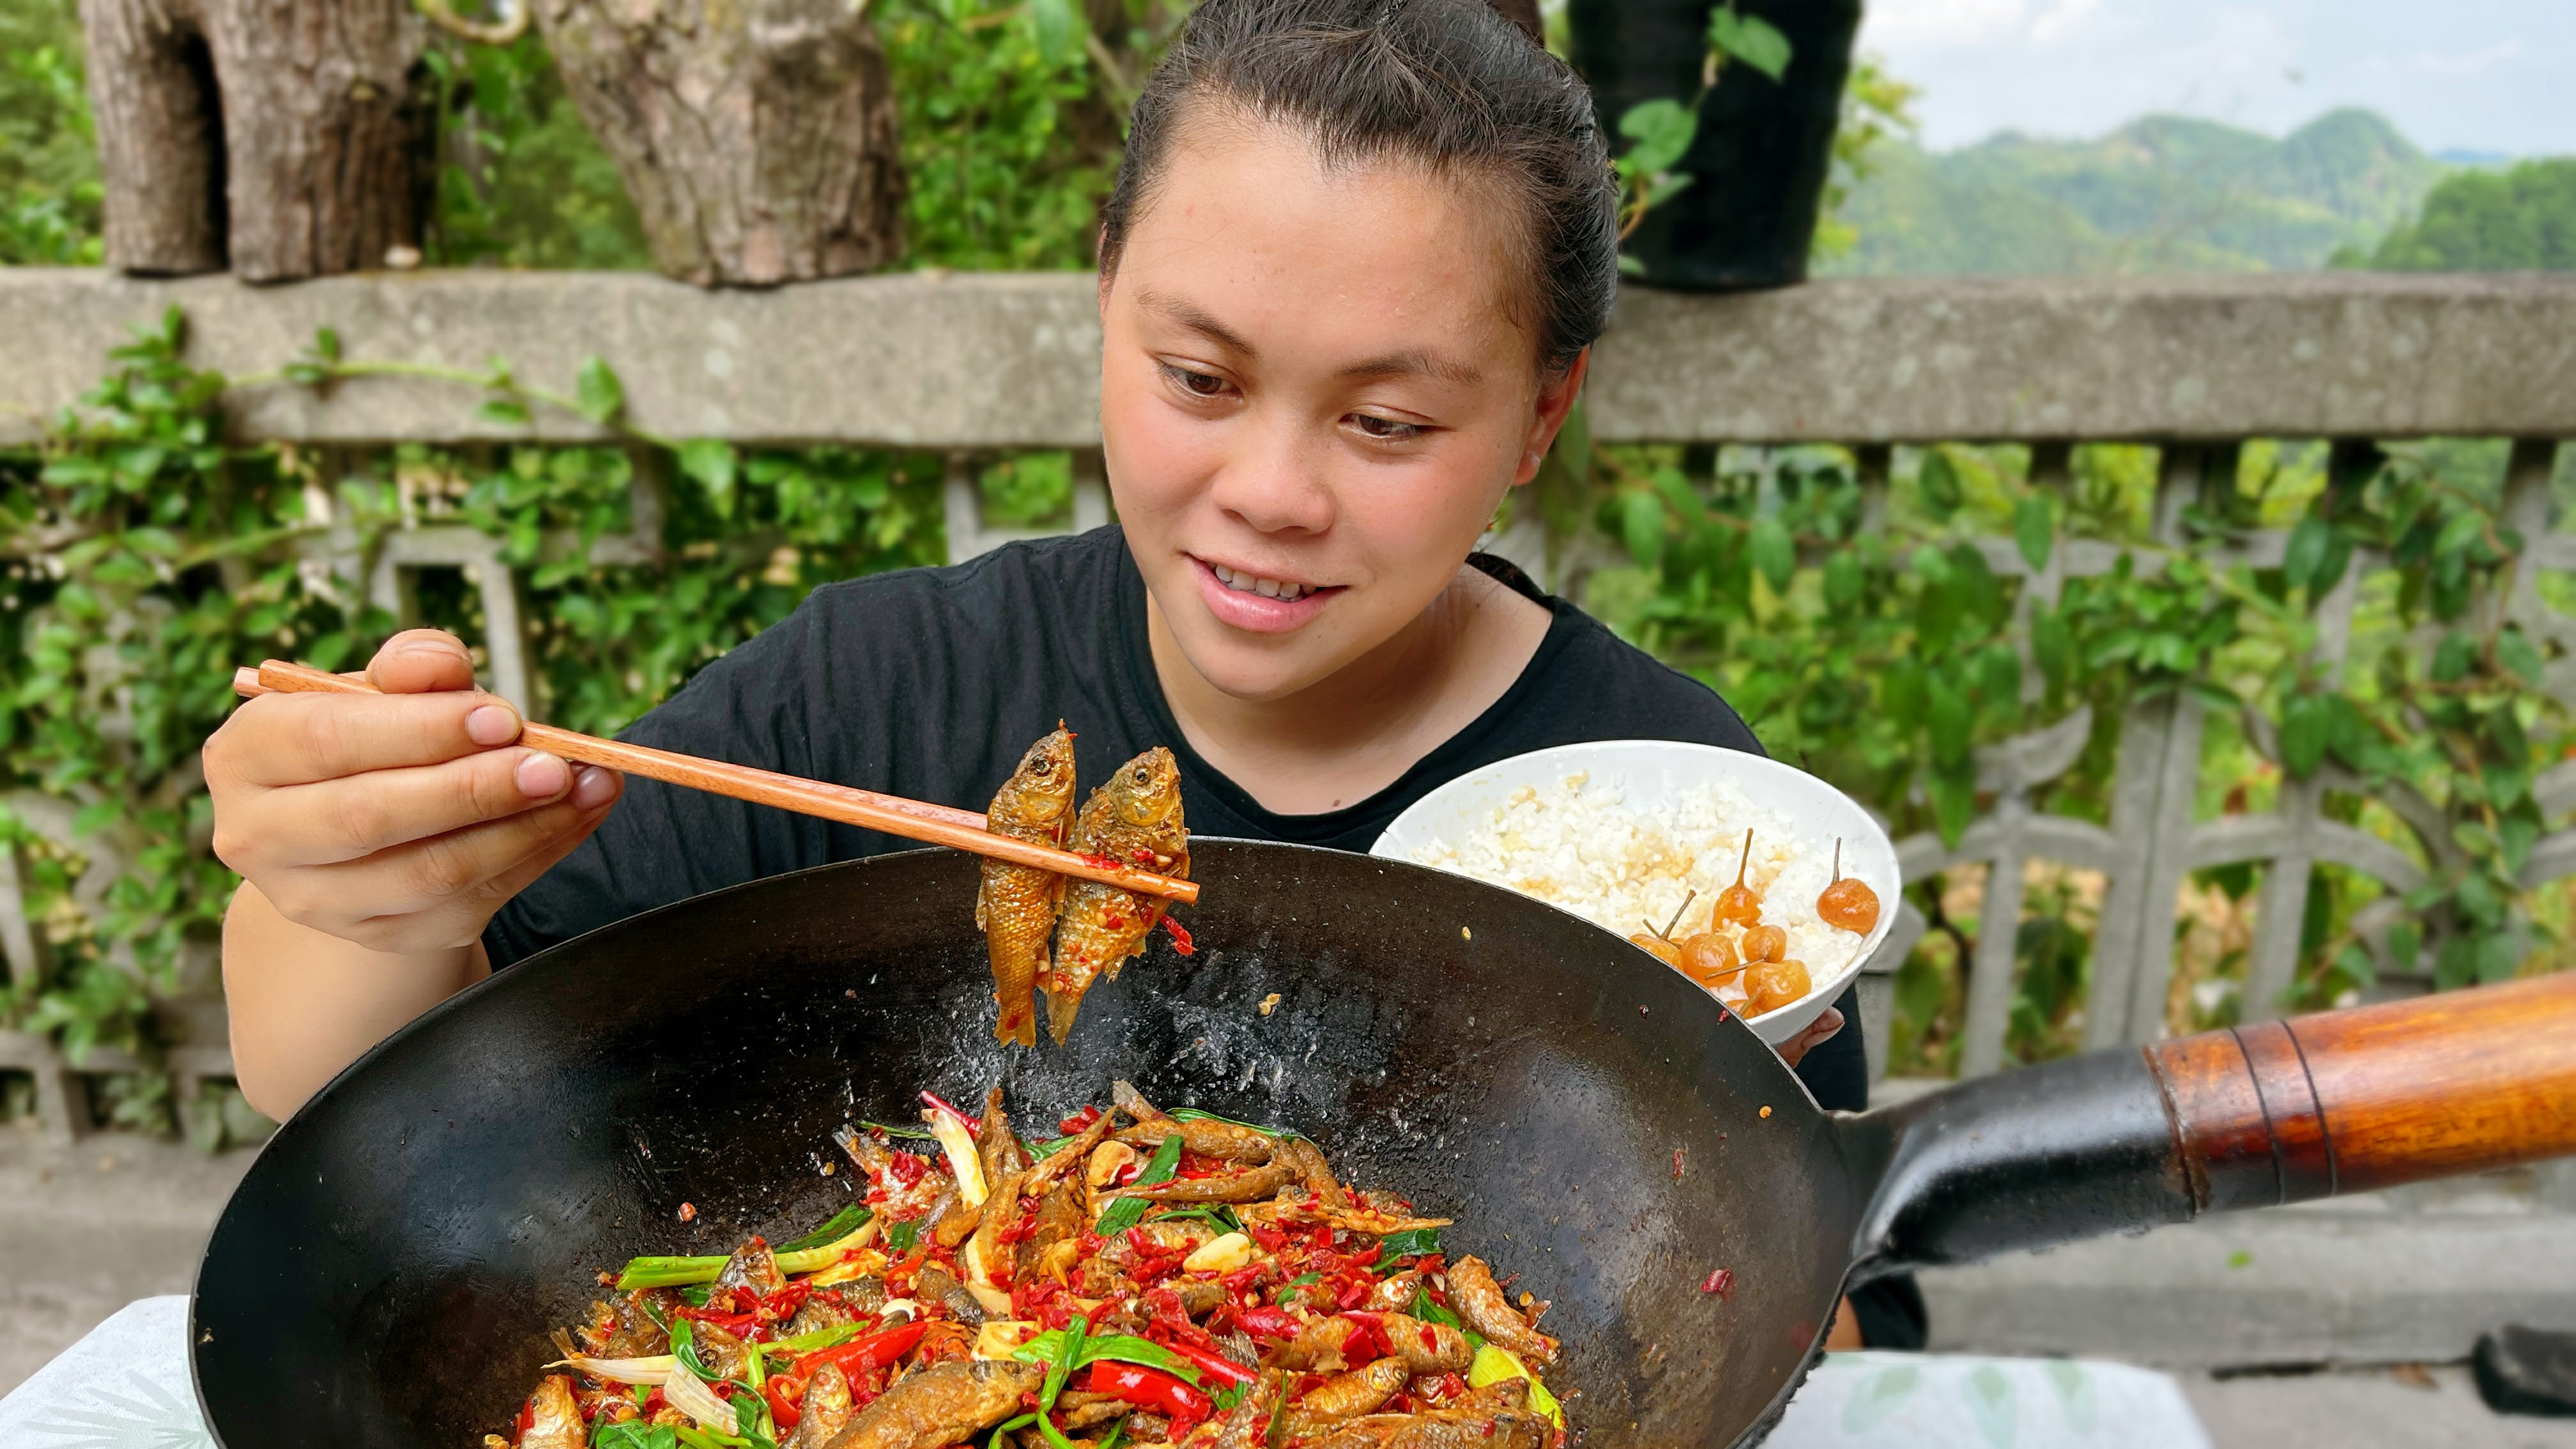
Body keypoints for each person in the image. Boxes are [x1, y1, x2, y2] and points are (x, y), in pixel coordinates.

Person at [206, 0, 1914, 1347]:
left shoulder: (1673, 818)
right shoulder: (876, 692)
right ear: (1103, 305)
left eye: (1388, 420)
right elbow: (346, 1078)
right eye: (1197, 375)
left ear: (1542, 413)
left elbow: (1800, 1312)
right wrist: (348, 894)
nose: (1272, 489)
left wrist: (1726, 1165)